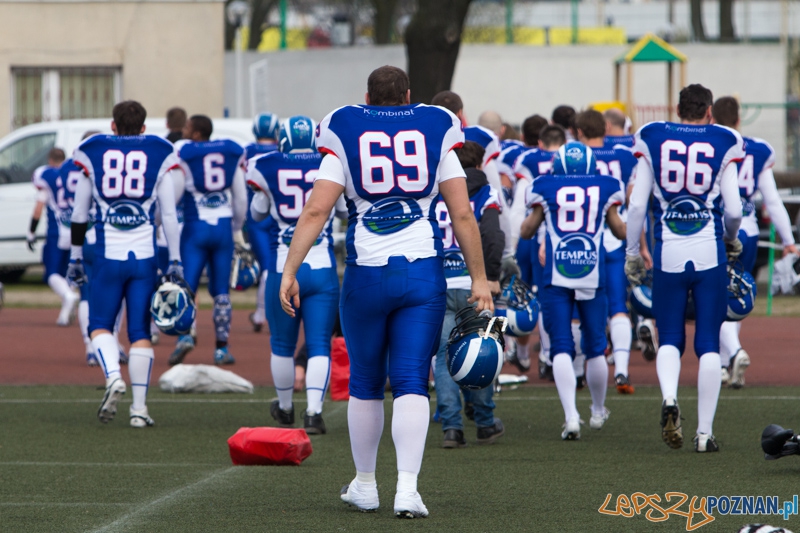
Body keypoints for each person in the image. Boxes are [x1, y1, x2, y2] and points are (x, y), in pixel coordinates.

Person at [278, 66, 492, 519]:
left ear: (367, 97)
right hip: (421, 272)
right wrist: (478, 278)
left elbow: (317, 209)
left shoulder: (344, 126)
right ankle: (408, 490)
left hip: (367, 274)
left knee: (366, 383)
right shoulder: (436, 124)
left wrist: (289, 270)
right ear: (410, 95)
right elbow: (463, 215)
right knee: (414, 381)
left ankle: (367, 485)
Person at [625, 84, 744, 453]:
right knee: (708, 341)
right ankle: (705, 434)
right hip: (708, 250)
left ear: (678, 109)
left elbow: (636, 207)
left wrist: (632, 252)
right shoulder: (724, 139)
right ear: (709, 111)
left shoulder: (652, 136)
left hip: (669, 252)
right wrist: (731, 238)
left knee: (670, 336)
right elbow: (735, 210)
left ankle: (670, 398)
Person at [68, 100, 183, 428]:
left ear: (113, 125)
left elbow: (79, 213)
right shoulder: (159, 151)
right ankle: (139, 409)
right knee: (139, 331)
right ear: (144, 128)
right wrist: (174, 259)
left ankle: (113, 376)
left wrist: (76, 256)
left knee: (100, 325)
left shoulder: (94, 151)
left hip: (107, 255)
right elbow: (169, 215)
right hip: (145, 256)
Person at [521, 141, 626, 440]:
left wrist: (533, 226)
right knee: (595, 346)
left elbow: (528, 229)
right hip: (591, 269)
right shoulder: (605, 186)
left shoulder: (544, 185)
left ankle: (571, 417)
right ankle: (596, 409)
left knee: (561, 345)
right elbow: (619, 229)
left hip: (556, 269)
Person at [247, 115, 340, 435]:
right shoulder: (329, 161)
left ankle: (286, 408)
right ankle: (314, 413)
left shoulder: (265, 164)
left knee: (282, 344)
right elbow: (341, 210)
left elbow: (257, 212)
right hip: (321, 265)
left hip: (284, 265)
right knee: (318, 344)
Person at [711, 96, 799, 388]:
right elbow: (772, 200)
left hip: (715, 231)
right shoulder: (757, 149)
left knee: (711, 300)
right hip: (747, 231)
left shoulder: (708, 144)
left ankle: (732, 354)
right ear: (738, 119)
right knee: (735, 296)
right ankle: (726, 363)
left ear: (712, 118)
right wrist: (788, 240)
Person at [433, 141, 505, 449]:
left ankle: (452, 426)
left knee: (443, 355)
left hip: (439, 282)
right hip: (474, 282)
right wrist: (490, 277)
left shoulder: (435, 190)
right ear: (479, 163)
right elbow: (493, 235)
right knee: (483, 348)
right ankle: (485, 422)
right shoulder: (486, 193)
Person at [168, 115, 247, 366]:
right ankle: (222, 348)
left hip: (195, 228)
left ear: (197, 134)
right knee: (222, 292)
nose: (184, 131)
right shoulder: (229, 152)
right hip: (222, 227)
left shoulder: (185, 152)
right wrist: (235, 227)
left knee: (187, 287)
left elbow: (176, 194)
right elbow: (241, 199)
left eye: (188, 128)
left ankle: (186, 337)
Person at [575, 109, 641, 394]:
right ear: (605, 127)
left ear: (578, 132)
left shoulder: (572, 158)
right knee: (618, 307)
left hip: (582, 240)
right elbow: (632, 199)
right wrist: (641, 245)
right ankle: (622, 371)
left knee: (578, 307)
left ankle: (578, 370)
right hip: (616, 238)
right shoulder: (626, 156)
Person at [511, 125, 566, 377]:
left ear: (540, 144)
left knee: (528, 297)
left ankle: (529, 354)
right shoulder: (574, 161)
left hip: (539, 236)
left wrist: (511, 244)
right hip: (576, 239)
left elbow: (519, 205)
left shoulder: (529, 160)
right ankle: (555, 357)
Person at [28, 148, 80, 326]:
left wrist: (31, 232)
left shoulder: (47, 176)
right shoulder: (75, 173)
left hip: (57, 231)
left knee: (51, 273)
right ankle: (65, 314)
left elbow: (38, 209)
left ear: (50, 160)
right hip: (77, 230)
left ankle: (68, 296)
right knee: (68, 273)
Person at [244, 112, 280, 334]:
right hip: (277, 214)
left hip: (256, 215)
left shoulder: (246, 151)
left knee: (267, 267)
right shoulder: (280, 151)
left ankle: (260, 313)